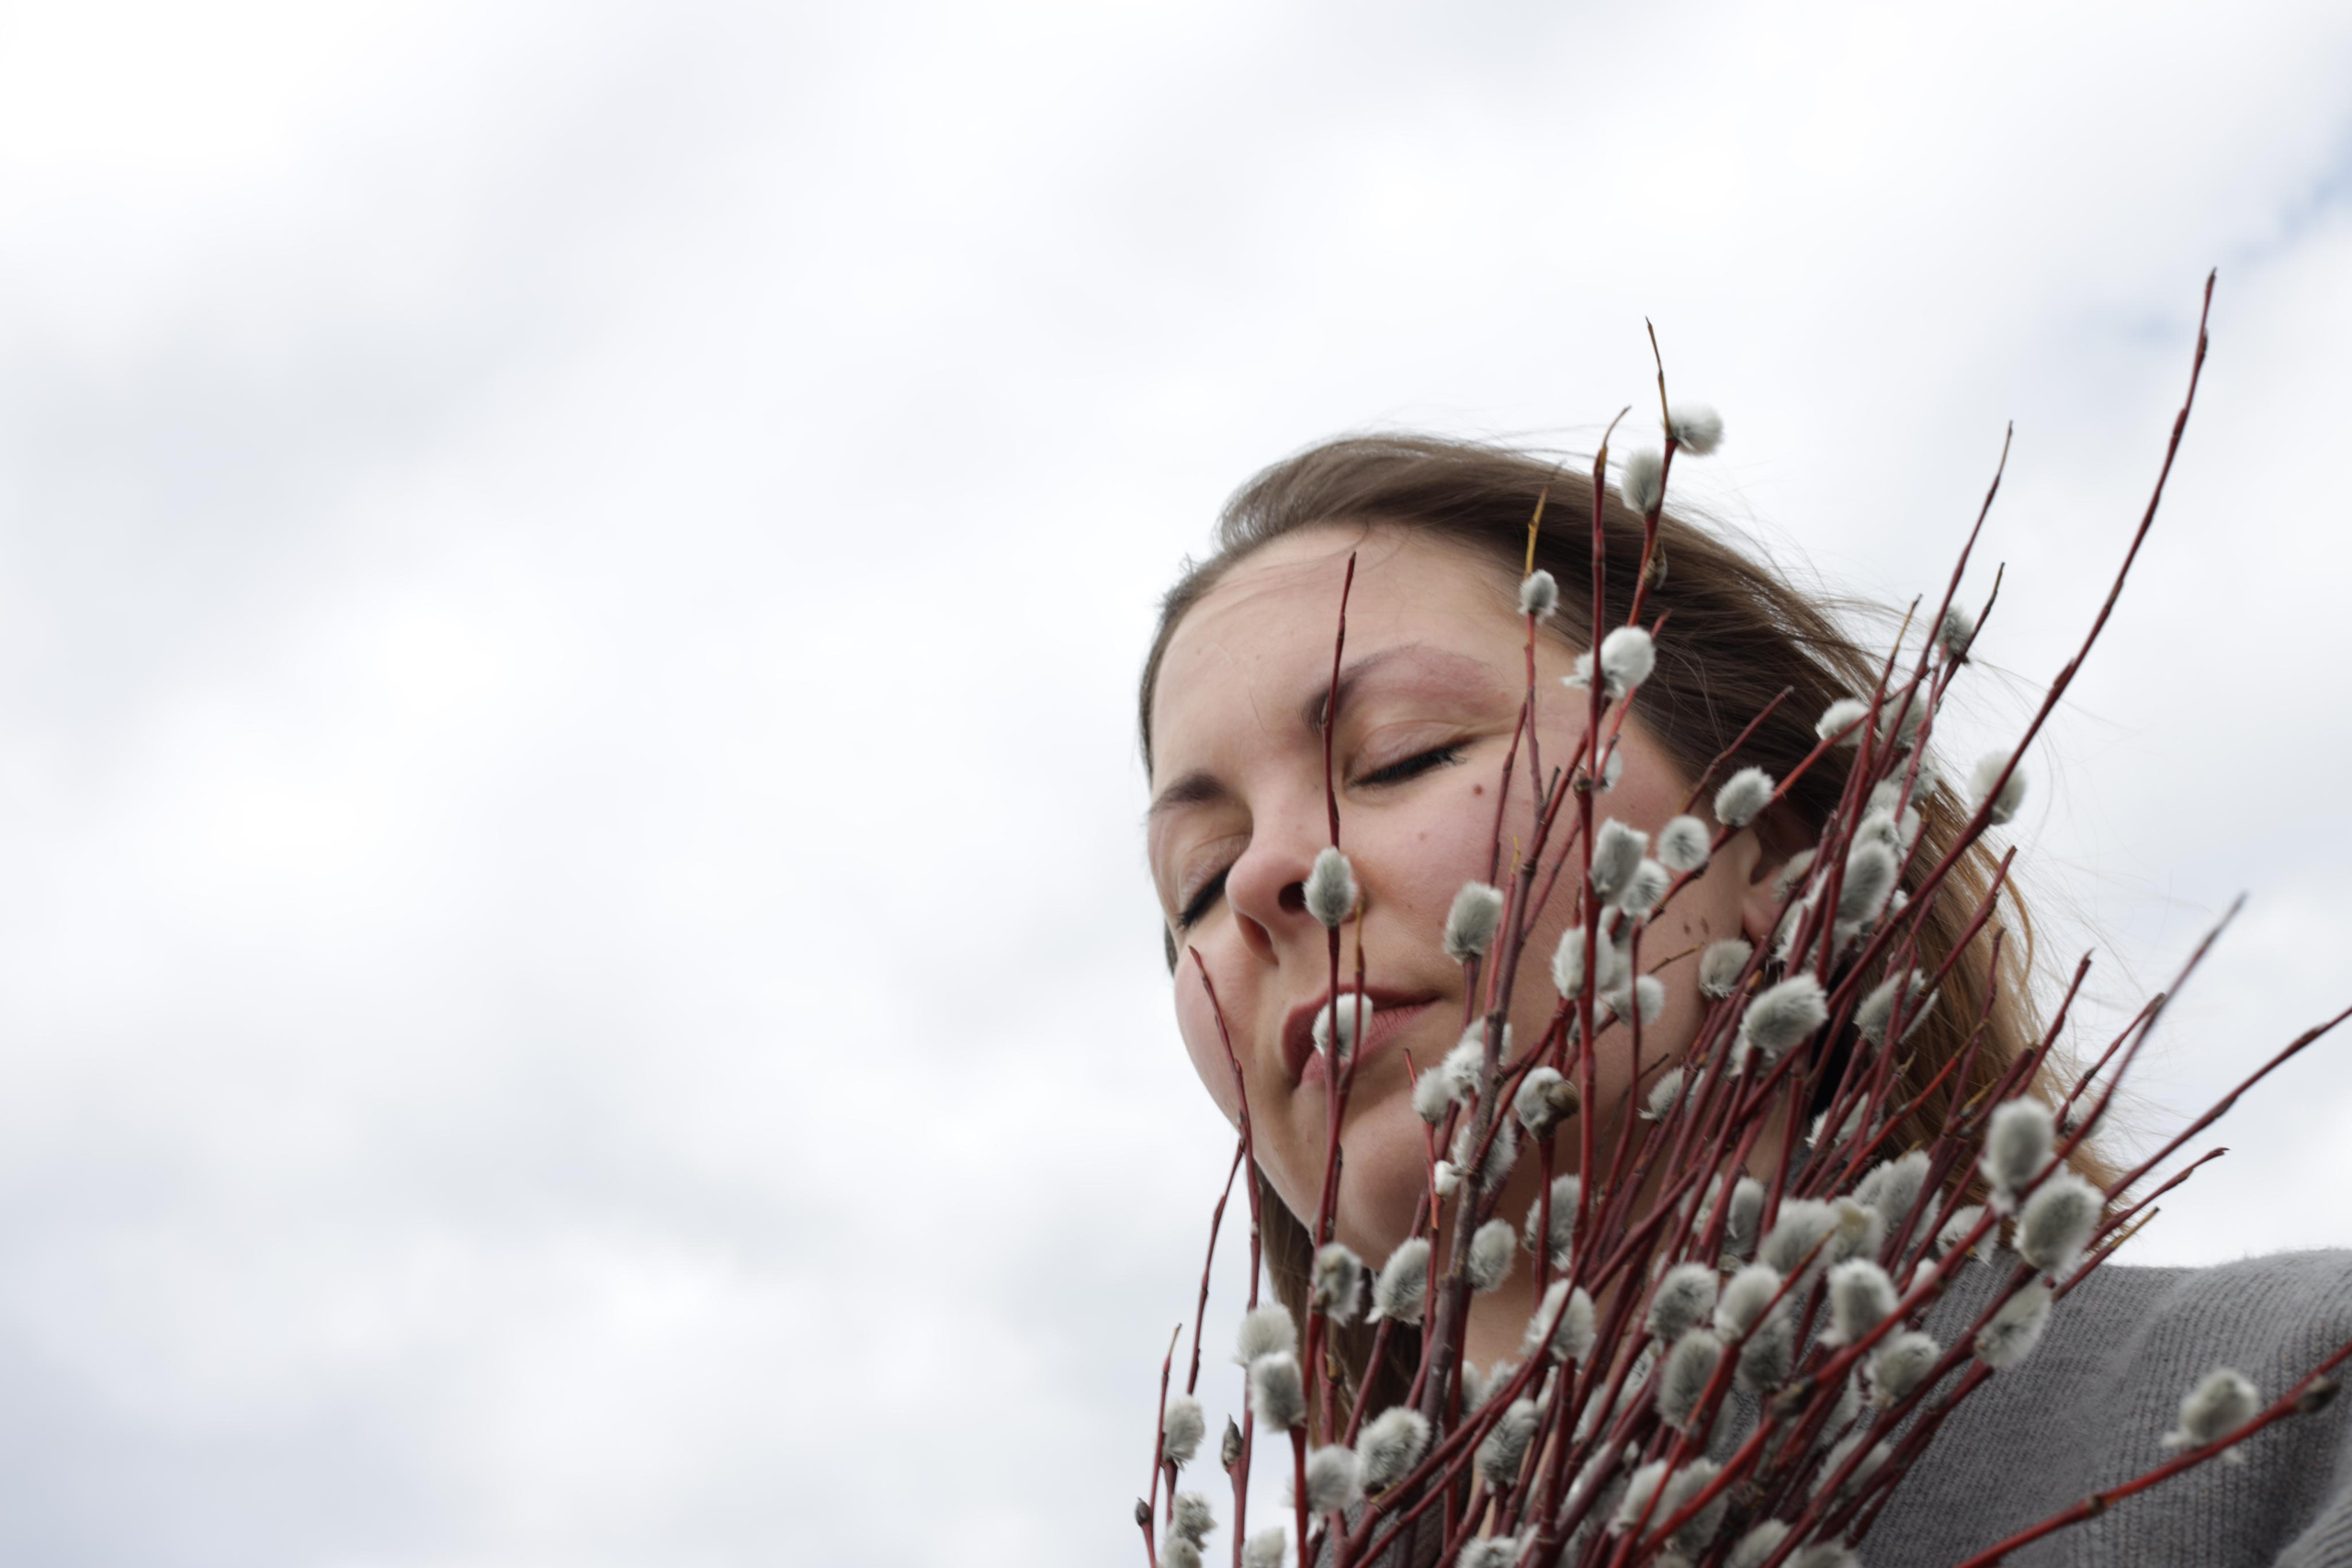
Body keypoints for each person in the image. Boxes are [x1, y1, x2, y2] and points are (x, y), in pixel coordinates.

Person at [1138, 434, 2352, 1565]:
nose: (1260, 878)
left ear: (1772, 849)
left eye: (1403, 754)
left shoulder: (2301, 1406)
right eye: (1194, 885)